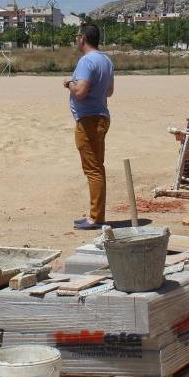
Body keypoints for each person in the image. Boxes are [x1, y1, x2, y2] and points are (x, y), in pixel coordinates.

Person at [64, 23, 114, 230]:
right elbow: (109, 91)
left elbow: (81, 91)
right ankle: (96, 214)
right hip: (101, 116)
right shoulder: (106, 60)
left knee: (93, 170)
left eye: (77, 36)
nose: (76, 40)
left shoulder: (86, 61)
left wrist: (69, 83)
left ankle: (95, 217)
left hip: (89, 120)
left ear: (83, 38)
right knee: (97, 167)